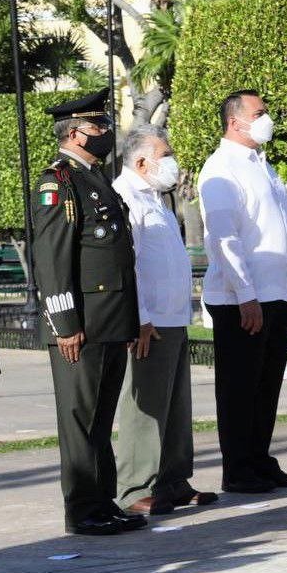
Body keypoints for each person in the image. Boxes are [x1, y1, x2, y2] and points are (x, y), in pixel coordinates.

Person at [29, 89, 147, 535]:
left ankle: (104, 500)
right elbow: (53, 260)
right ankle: (82, 509)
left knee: (100, 419)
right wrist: (65, 323)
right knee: (81, 421)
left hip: (111, 320)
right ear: (76, 134)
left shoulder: (95, 178)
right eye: (98, 128)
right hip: (82, 324)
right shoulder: (58, 182)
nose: (105, 134)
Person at [199, 90, 287, 494]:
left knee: (267, 386)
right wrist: (246, 294)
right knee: (240, 388)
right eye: (259, 113)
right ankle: (238, 469)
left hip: (275, 293)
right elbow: (224, 239)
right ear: (235, 122)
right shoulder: (220, 169)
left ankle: (260, 459)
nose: (267, 119)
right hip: (241, 299)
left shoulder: (263, 165)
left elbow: (282, 235)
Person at [110, 124, 217, 516]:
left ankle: (173, 480)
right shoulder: (125, 198)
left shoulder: (157, 199)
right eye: (165, 155)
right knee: (145, 407)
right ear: (141, 161)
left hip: (173, 317)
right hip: (148, 320)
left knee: (175, 406)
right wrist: (138, 317)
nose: (171, 162)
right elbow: (128, 265)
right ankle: (135, 486)